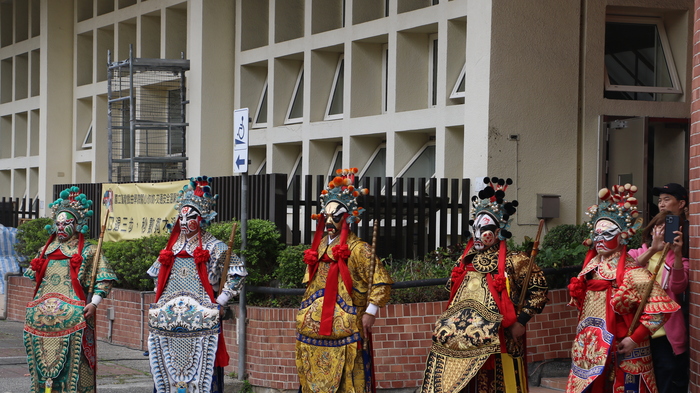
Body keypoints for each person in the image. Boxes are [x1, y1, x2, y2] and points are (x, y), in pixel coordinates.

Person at [420, 177, 549, 393]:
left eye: (485, 228)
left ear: (499, 231)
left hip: (503, 339)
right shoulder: (464, 260)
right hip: (463, 342)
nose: (478, 233)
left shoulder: (516, 260)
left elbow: (539, 292)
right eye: (475, 227)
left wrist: (522, 320)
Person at [566, 184, 680, 393]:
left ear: (622, 236)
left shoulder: (632, 272)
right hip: (591, 351)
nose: (599, 238)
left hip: (625, 350)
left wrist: (634, 339)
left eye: (607, 233)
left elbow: (660, 310)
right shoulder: (590, 269)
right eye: (596, 233)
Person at [295, 168, 393, 393]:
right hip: (313, 329)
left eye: (335, 216)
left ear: (348, 218)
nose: (330, 221)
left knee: (350, 377)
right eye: (326, 216)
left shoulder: (360, 249)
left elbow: (381, 282)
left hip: (348, 329)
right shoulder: (320, 246)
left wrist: (370, 312)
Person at [147, 176, 247, 393]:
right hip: (169, 324)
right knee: (166, 373)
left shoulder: (215, 246)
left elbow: (238, 274)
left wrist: (220, 302)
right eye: (181, 217)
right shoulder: (170, 248)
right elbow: (156, 276)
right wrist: (161, 301)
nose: (184, 222)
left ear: (202, 219)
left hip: (202, 322)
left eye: (190, 217)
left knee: (202, 374)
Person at [23, 186, 118, 392]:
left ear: (77, 225)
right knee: (42, 371)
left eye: (66, 223)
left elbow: (104, 280)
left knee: (76, 371)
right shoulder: (45, 250)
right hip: (42, 322)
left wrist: (94, 304)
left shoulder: (89, 250)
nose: (60, 228)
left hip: (76, 320)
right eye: (58, 223)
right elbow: (35, 280)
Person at [628, 182, 689, 393]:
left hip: (665, 332)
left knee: (667, 377)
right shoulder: (639, 253)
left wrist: (678, 255)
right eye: (658, 228)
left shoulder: (679, 258)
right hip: (638, 329)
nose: (663, 232)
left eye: (667, 229)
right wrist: (653, 249)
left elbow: (678, 287)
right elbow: (625, 272)